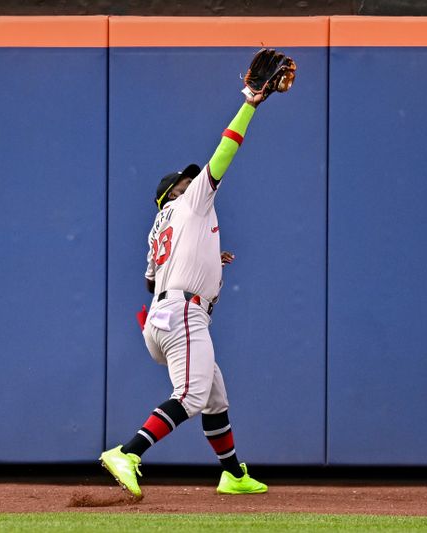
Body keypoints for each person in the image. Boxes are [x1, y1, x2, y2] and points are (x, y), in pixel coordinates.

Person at [100, 51, 294, 498]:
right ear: (171, 194)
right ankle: (127, 452)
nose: (194, 181)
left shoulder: (161, 226)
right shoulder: (188, 202)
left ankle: (232, 474)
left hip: (162, 317)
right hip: (185, 315)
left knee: (215, 398)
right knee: (190, 396)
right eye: (185, 181)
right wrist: (251, 103)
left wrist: (206, 255)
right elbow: (226, 150)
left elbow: (152, 280)